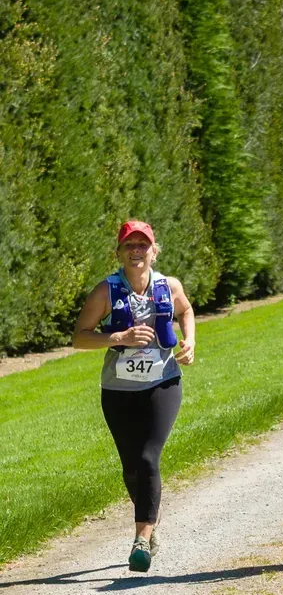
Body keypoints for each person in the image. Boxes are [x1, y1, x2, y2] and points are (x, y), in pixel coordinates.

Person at [73, 220, 195, 572]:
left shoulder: (169, 286)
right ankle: (151, 522)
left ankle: (141, 539)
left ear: (155, 251)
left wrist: (189, 342)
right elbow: (80, 338)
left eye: (143, 245)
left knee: (147, 457)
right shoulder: (105, 292)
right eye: (130, 245)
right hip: (118, 390)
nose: (137, 250)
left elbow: (185, 311)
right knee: (131, 467)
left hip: (163, 384)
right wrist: (118, 338)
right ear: (119, 253)